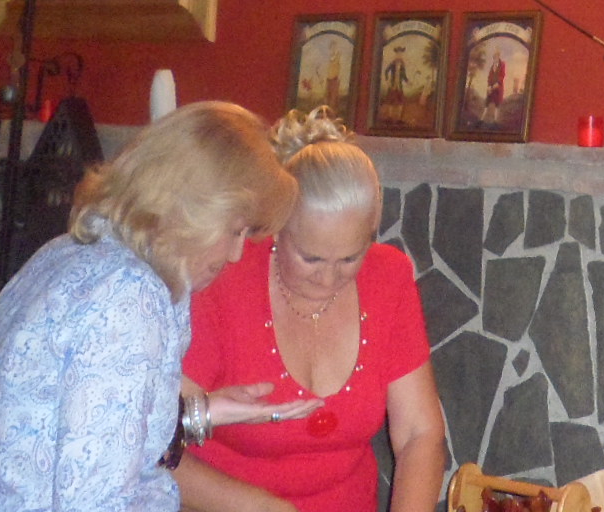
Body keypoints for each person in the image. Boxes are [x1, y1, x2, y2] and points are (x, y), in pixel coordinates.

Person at [0, 102, 298, 512]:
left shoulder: (68, 252)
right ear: (191, 207)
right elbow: (92, 502)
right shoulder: (127, 298)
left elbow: (92, 435)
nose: (235, 254)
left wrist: (202, 413)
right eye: (234, 230)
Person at [176, 109, 446, 512]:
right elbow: (156, 447)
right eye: (312, 258)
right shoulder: (225, 278)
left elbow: (419, 435)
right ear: (277, 227)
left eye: (350, 258)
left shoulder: (388, 277)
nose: (328, 278)